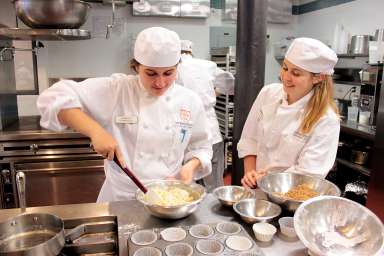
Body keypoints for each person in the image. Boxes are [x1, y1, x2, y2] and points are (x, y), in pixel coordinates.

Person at [37, 27, 213, 202]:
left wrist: (190, 167)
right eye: (150, 73)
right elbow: (53, 98)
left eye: (168, 73)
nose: (160, 82)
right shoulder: (118, 90)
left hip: (169, 199)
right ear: (136, 67)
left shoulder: (189, 101)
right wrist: (96, 131)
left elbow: (202, 147)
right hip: (122, 198)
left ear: (177, 67)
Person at [237, 37, 340, 189]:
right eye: (285, 68)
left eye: (296, 73)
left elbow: (309, 173)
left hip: (290, 197)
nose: (286, 77)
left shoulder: (326, 119)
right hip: (255, 190)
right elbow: (249, 139)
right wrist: (250, 174)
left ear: (318, 77)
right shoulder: (268, 93)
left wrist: (267, 180)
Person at [177, 39, 234, 192]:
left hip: (183, 131)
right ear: (190, 51)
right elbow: (230, 83)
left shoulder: (174, 67)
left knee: (186, 182)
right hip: (211, 131)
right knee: (214, 183)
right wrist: (213, 94)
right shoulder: (206, 65)